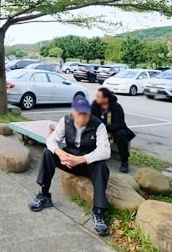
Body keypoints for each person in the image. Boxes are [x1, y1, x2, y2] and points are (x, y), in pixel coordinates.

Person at [29, 93, 111, 236]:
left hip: (86, 163)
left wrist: (81, 159)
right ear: (72, 112)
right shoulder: (65, 120)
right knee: (48, 153)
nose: (82, 118)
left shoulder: (98, 125)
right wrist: (60, 153)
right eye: (78, 114)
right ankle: (44, 195)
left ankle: (98, 211)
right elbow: (51, 141)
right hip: (67, 159)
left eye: (85, 114)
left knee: (101, 166)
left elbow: (105, 151)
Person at [92, 87, 134, 173]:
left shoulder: (116, 107)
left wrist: (104, 127)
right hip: (99, 129)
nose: (96, 99)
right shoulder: (95, 106)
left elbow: (120, 124)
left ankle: (124, 161)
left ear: (106, 99)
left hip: (114, 129)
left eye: (99, 97)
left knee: (120, 134)